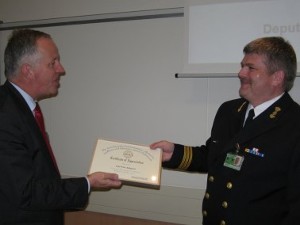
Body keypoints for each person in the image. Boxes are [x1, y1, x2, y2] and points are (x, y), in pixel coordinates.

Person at [150, 36, 300, 225]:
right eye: (242, 65)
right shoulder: (229, 111)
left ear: (277, 77)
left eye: (250, 68)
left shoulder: (294, 124)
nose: (241, 73)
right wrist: (175, 154)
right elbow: (214, 157)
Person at [0, 29, 122, 225]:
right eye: (53, 63)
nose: (61, 69)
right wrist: (87, 183)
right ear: (27, 71)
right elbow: (25, 192)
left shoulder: (21, 108)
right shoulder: (5, 116)